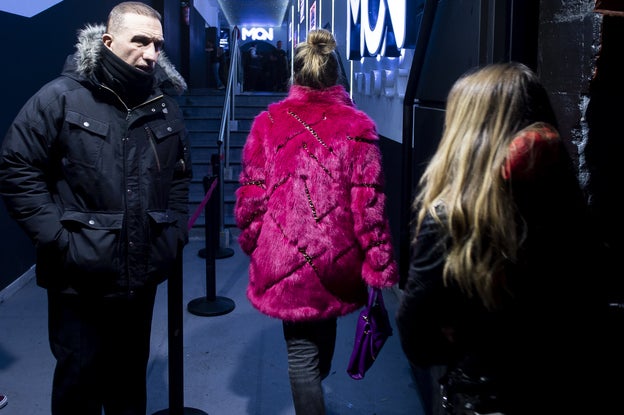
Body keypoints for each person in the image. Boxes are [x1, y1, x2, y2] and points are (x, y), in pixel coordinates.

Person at [0, 2, 192, 415]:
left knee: (128, 389)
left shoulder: (165, 107)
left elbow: (179, 179)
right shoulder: (60, 98)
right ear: (107, 41)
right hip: (78, 280)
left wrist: (173, 235)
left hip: (140, 277)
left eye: (157, 44)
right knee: (79, 389)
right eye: (139, 41)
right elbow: (17, 168)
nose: (151, 54)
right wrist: (58, 239)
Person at [395, 62, 606, 415]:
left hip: (481, 399)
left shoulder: (452, 218)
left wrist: (459, 336)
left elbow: (417, 338)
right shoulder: (567, 207)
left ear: (466, 131)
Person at [234, 29, 398, 415]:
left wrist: (256, 243)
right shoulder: (357, 127)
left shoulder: (268, 123)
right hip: (336, 260)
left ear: (294, 76)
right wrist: (379, 265)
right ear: (337, 74)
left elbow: (250, 196)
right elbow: (369, 204)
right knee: (315, 348)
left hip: (284, 260)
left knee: (304, 352)